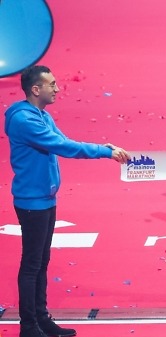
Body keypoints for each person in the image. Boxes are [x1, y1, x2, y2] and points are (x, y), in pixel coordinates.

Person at [4, 65, 131, 337]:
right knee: (32, 264)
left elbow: (63, 140)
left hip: (45, 198)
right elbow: (64, 147)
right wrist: (103, 153)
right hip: (32, 201)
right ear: (36, 89)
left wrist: (104, 148)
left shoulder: (41, 115)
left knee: (42, 261)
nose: (57, 88)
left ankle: (41, 318)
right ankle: (28, 326)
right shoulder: (25, 121)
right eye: (51, 84)